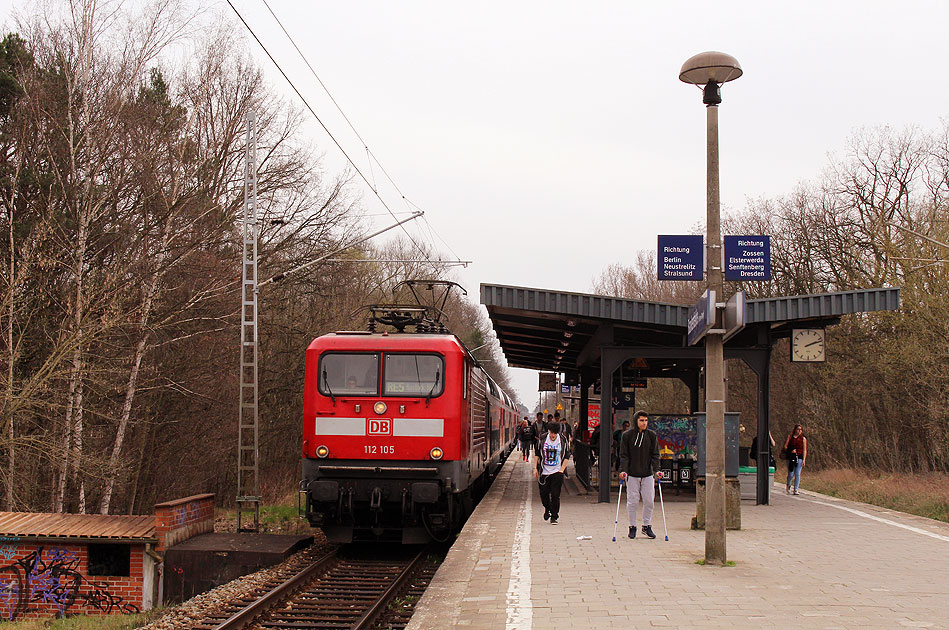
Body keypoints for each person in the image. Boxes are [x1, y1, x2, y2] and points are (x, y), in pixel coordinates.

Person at [619, 411, 660, 539]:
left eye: (646, 420)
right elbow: (624, 455)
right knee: (633, 501)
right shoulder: (627, 436)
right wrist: (623, 470)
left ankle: (646, 525)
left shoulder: (652, 436)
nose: (644, 423)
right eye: (641, 420)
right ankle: (632, 526)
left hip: (647, 474)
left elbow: (655, 454)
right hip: (632, 474)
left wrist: (657, 470)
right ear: (636, 421)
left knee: (649, 501)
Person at [533, 420, 569, 525]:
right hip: (544, 472)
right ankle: (547, 508)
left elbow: (567, 455)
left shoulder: (562, 440)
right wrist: (535, 468)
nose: (553, 435)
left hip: (557, 472)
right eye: (551, 433)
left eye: (555, 433)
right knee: (544, 494)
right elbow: (537, 453)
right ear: (548, 431)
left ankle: (554, 516)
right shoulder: (543, 439)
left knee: (555, 495)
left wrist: (562, 470)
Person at [782, 424, 807, 495]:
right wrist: (791, 450)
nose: (799, 431)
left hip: (799, 457)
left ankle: (796, 489)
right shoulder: (790, 437)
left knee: (798, 473)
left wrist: (804, 459)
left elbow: (805, 450)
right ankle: (788, 484)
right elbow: (785, 446)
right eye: (798, 429)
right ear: (795, 430)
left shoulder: (803, 439)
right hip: (791, 457)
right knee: (791, 473)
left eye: (800, 430)